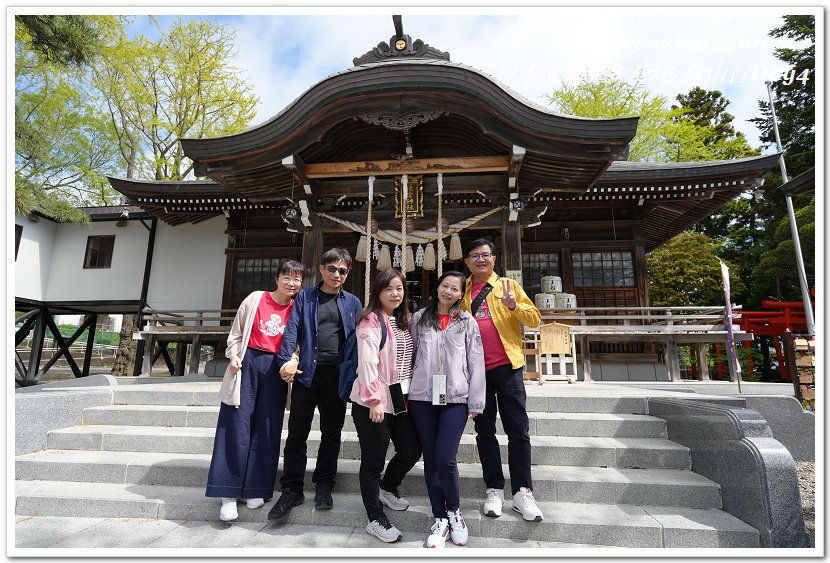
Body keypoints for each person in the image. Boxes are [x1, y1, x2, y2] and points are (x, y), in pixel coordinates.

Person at [267, 248, 363, 521]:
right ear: (321, 269)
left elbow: (359, 339)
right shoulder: (305, 298)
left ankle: (324, 485)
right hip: (306, 374)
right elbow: (292, 331)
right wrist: (287, 361)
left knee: (331, 434)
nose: (337, 274)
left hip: (337, 376)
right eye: (332, 268)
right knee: (297, 432)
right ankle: (292, 488)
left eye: (342, 270)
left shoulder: (352, 302)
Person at [205, 259, 305, 522]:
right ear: (276, 278)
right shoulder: (255, 299)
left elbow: (299, 345)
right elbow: (236, 334)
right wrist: (233, 355)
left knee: (267, 429)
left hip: (276, 370)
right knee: (236, 425)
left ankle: (256, 487)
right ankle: (227, 493)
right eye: (287, 276)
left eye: (297, 279)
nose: (291, 283)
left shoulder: (298, 308)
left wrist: (294, 361)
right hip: (246, 365)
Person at [461, 239, 544, 522]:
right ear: (467, 261)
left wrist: (513, 307)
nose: (480, 260)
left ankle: (523, 492)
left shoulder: (508, 286)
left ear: (494, 259)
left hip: (507, 367)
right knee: (485, 432)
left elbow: (534, 318)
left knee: (518, 431)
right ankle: (494, 488)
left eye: (485, 255)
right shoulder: (462, 290)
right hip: (476, 373)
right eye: (475, 256)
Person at [409, 270, 486, 548]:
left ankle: (455, 511)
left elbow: (476, 359)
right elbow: (413, 355)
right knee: (430, 459)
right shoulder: (419, 319)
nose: (448, 291)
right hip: (421, 398)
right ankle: (439, 518)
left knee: (445, 458)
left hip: (455, 397)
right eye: (445, 286)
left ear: (460, 293)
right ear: (437, 287)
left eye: (455, 288)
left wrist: (476, 399)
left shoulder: (466, 321)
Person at [350, 268, 422, 543]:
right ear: (378, 292)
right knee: (373, 460)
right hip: (375, 400)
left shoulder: (404, 320)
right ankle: (374, 518)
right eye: (389, 288)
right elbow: (367, 363)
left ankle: (388, 487)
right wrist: (374, 400)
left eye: (399, 288)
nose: (395, 293)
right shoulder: (370, 321)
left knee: (411, 449)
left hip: (400, 398)